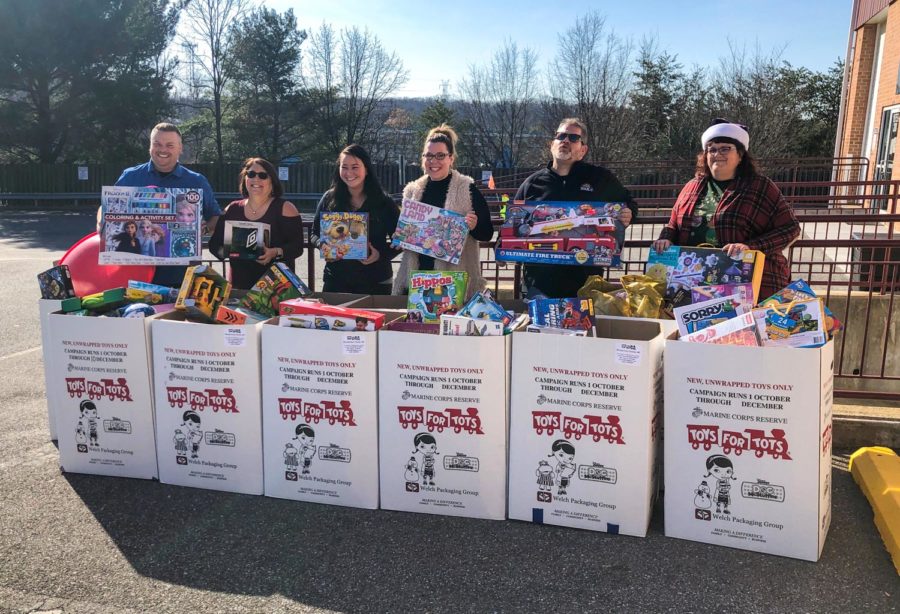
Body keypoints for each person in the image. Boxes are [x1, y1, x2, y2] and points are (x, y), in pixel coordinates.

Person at [652, 119, 800, 300]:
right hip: (694, 280)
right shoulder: (692, 187)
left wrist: (750, 247)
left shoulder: (760, 187)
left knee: (742, 329)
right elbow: (674, 224)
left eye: (725, 148)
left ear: (740, 155)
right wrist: (665, 239)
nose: (717, 154)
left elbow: (791, 229)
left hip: (746, 279)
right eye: (712, 149)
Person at [514, 118, 638, 299]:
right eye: (561, 136)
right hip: (540, 283)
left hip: (584, 282)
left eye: (573, 138)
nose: (565, 141)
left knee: (584, 326)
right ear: (552, 144)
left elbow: (629, 204)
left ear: (583, 150)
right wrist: (503, 248)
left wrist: (629, 213)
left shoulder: (600, 178)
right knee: (540, 327)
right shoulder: (532, 183)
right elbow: (514, 222)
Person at [110, 122, 222, 286]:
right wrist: (102, 221)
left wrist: (201, 229)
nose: (163, 150)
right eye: (157, 144)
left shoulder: (196, 181)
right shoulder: (130, 177)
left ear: (180, 148)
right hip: (135, 275)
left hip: (181, 276)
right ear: (150, 146)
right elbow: (108, 208)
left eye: (170, 145)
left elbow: (215, 216)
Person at [392, 125, 493, 300]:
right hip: (416, 280)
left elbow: (486, 233)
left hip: (451, 284)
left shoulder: (466, 188)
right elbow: (408, 233)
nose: (434, 161)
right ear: (423, 158)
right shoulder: (412, 190)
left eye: (440, 155)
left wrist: (474, 226)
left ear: (450, 158)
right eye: (429, 155)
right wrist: (402, 236)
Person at [310, 144, 400, 295]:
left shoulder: (384, 202)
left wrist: (380, 255)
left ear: (366, 169)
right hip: (336, 281)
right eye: (344, 167)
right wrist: (323, 246)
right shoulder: (329, 199)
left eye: (355, 167)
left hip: (376, 282)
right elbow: (314, 234)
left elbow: (401, 240)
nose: (349, 172)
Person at [208, 157, 304, 290]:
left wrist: (274, 252)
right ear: (245, 178)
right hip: (239, 286)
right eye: (251, 174)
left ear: (272, 181)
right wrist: (228, 251)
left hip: (275, 288)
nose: (256, 179)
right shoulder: (232, 209)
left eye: (263, 175)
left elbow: (297, 247)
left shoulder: (286, 208)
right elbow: (214, 244)